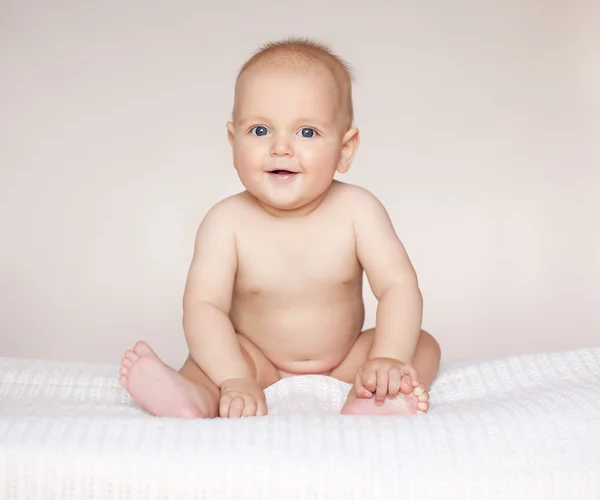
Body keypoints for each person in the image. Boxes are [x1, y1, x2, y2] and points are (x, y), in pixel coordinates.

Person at [119, 38, 441, 418]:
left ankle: (373, 395)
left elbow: (397, 287)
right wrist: (235, 377)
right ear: (232, 140)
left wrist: (388, 356)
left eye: (306, 132)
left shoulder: (359, 211)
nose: (281, 148)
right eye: (259, 131)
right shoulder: (226, 222)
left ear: (345, 149)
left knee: (421, 346)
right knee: (209, 359)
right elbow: (203, 307)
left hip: (345, 361)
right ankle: (193, 398)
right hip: (255, 361)